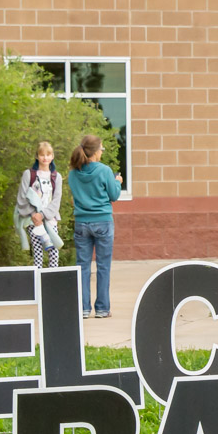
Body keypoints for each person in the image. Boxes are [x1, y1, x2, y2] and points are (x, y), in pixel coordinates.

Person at [68, 133, 122, 319]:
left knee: (82, 266)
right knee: (103, 266)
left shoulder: (73, 173)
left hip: (82, 222)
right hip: (103, 221)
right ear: (95, 152)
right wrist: (117, 182)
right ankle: (102, 308)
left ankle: (83, 308)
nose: (101, 153)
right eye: (101, 150)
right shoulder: (105, 171)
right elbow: (114, 195)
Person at [15, 140, 63, 270]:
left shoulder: (56, 177)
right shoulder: (29, 175)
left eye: (48, 155)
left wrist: (43, 215)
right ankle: (38, 282)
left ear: (52, 156)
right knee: (38, 254)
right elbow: (22, 198)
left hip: (50, 220)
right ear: (37, 156)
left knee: (53, 252)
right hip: (32, 221)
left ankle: (52, 279)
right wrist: (34, 215)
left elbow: (56, 200)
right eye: (42, 155)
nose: (45, 158)